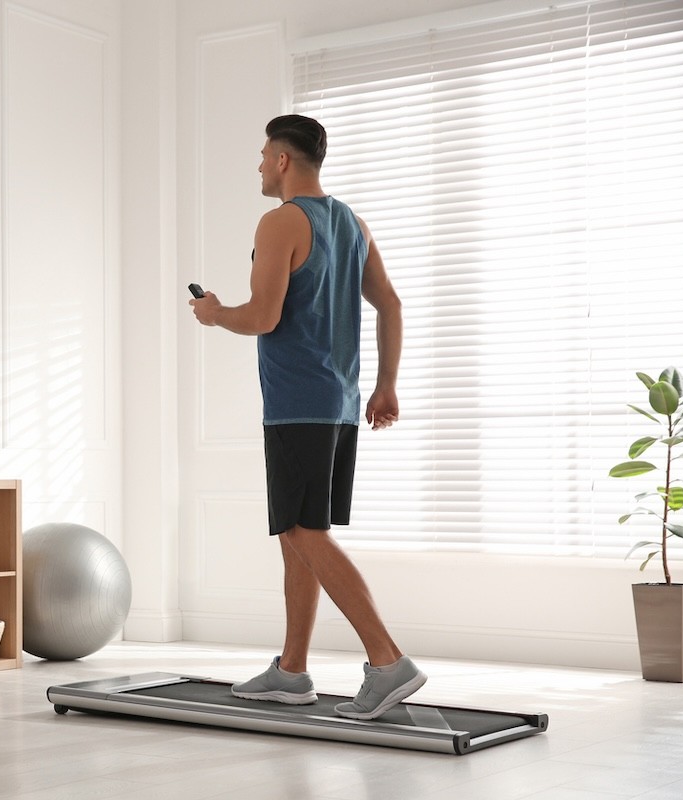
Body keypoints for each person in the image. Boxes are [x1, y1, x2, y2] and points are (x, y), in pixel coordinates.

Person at [189, 114, 425, 721]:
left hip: (298, 404)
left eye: (263, 154)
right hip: (339, 404)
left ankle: (387, 660)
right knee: (301, 535)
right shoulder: (352, 224)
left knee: (301, 531)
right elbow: (391, 304)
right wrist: (386, 386)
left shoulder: (280, 222)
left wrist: (215, 313)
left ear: (283, 160)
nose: (259, 165)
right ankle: (292, 671)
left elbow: (262, 317)